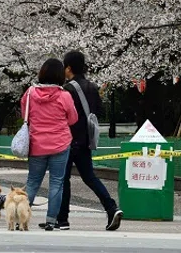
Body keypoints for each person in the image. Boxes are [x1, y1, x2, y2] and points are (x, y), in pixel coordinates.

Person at [59, 50, 122, 231]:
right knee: (90, 177)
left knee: (63, 179)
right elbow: (100, 113)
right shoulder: (93, 87)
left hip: (69, 140)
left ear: (68, 68)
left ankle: (62, 219)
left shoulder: (67, 89)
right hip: (86, 140)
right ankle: (111, 207)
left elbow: (64, 115)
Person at [20, 58, 77, 231]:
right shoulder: (64, 96)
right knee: (57, 183)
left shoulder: (30, 93)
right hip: (60, 144)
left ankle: (20, 218)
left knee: (32, 183)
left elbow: (25, 115)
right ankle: (51, 221)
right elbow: (73, 119)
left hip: (37, 144)